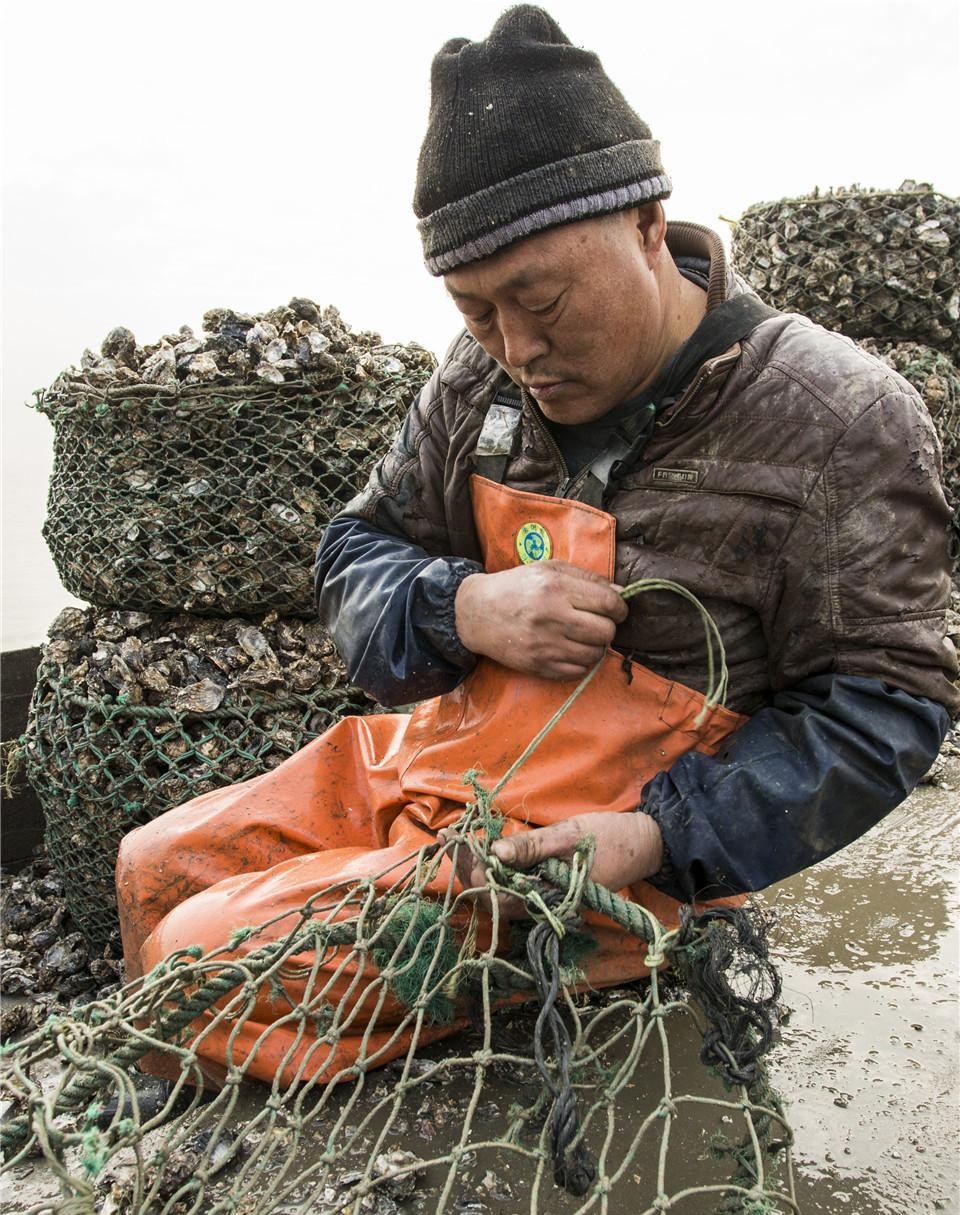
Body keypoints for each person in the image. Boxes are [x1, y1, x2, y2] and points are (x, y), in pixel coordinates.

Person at [117, 5, 958, 1086]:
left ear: (648, 223)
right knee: (153, 868)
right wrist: (462, 608)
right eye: (475, 311)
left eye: (541, 299)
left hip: (594, 852)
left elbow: (890, 708)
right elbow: (353, 552)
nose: (518, 351)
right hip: (436, 770)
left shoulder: (834, 416)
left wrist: (657, 839)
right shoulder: (478, 377)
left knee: (202, 958)